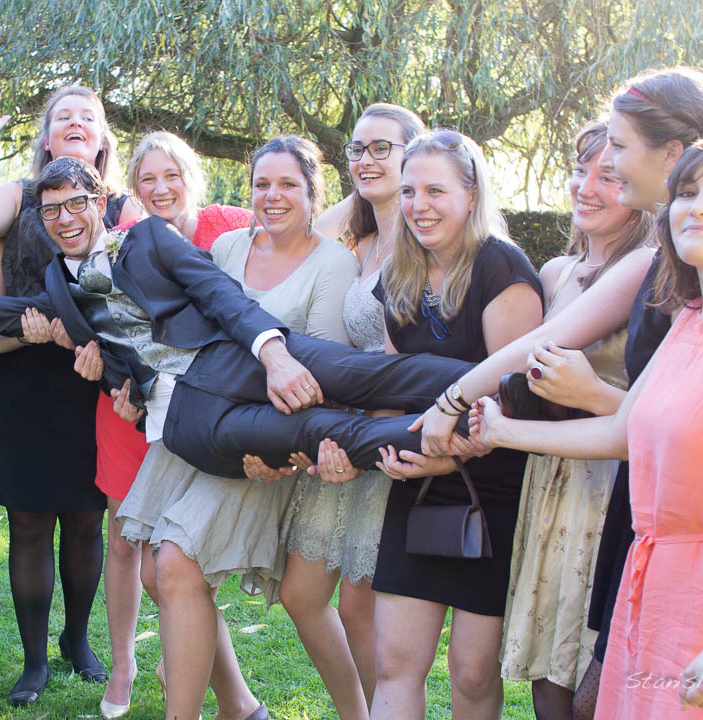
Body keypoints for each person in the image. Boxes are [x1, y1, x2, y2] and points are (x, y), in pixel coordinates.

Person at [410, 67, 703, 719]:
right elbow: (622, 423)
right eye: (689, 196)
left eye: (617, 147)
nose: (607, 164)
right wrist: (490, 424)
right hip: (646, 542)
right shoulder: (681, 308)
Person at [0, 156, 479, 480]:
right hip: (186, 418)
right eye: (52, 210)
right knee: (319, 434)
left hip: (237, 354)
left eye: (76, 204)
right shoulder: (57, 289)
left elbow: (221, 294)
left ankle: (503, 387)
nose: (64, 218)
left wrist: (273, 355)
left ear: (99, 205)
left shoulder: (149, 240)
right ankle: (470, 436)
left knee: (367, 373)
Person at [118, 135, 358, 719]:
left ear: (311, 192)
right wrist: (134, 384)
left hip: (264, 450)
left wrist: (283, 450)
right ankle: (240, 706)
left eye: (287, 185)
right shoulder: (226, 247)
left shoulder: (333, 262)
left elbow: (321, 378)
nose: (272, 197)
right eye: (261, 184)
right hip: (198, 430)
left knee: (175, 563)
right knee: (158, 573)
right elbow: (187, 338)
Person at [0, 88, 139, 707]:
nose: (76, 124)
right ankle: (32, 662)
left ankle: (77, 642)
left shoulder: (125, 209)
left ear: (102, 140)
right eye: (63, 118)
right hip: (24, 379)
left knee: (86, 522)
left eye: (88, 118)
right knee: (27, 522)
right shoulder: (20, 197)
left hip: (93, 384)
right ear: (46, 137)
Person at [246, 103, 426, 712]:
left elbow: (426, 354)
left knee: (359, 605)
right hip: (338, 431)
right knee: (301, 595)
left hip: (387, 435)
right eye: (356, 149)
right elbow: (292, 227)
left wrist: (367, 436)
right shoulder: (363, 238)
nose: (366, 159)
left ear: (414, 156)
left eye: (382, 148)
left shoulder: (425, 240)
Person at [367, 129, 543, 720]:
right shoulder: (399, 275)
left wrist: (454, 455)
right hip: (416, 481)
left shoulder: (502, 267)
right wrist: (375, 447)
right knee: (395, 661)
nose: (419, 205)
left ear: (471, 194)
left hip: (490, 481)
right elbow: (392, 389)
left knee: (470, 673)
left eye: (436, 190)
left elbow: (518, 398)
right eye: (410, 190)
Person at [497, 120, 655, 718]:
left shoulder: (650, 268)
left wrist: (590, 393)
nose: (586, 187)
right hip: (549, 481)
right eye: (579, 170)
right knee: (548, 662)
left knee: (596, 660)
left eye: (609, 176)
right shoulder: (554, 274)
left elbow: (660, 412)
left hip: (608, 485)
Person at [128, 130, 253, 250]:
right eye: (148, 179)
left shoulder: (229, 222)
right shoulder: (126, 238)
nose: (161, 190)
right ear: (137, 188)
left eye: (172, 175)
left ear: (192, 178)